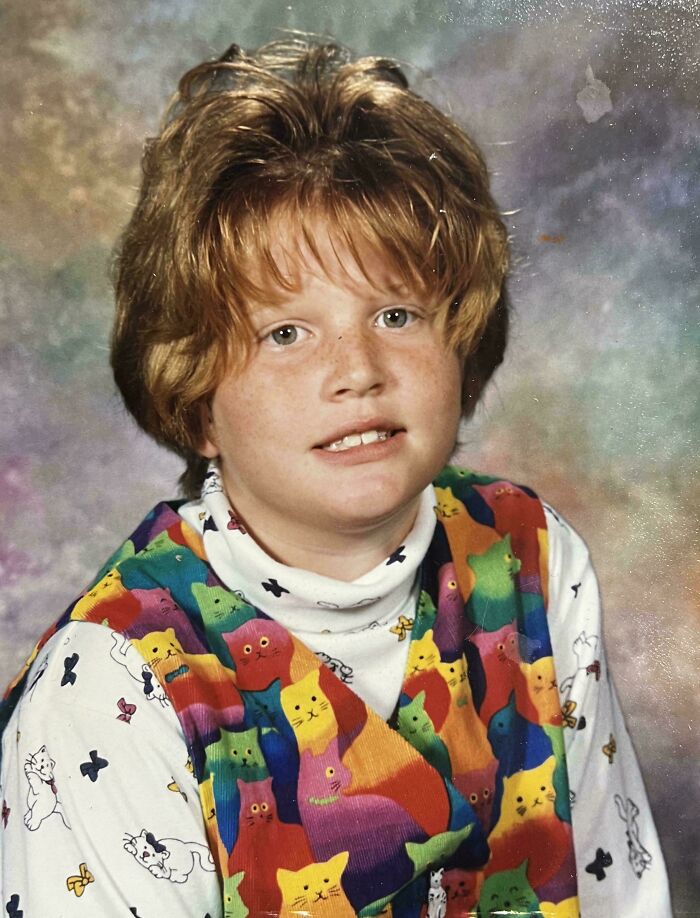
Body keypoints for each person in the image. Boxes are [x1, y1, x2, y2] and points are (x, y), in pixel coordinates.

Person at [0, 36, 671, 918]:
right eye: (286, 333)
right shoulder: (113, 683)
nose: (357, 368)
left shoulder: (532, 558)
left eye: (396, 313)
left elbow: (617, 891)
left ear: (460, 342)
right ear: (195, 397)